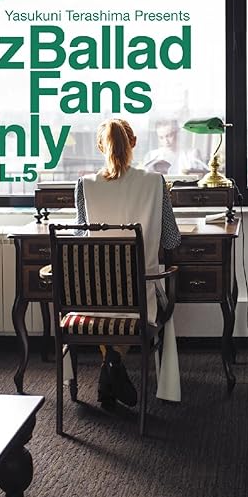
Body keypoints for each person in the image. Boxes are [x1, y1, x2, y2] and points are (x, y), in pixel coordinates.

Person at [73, 118, 182, 408]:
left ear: (100, 147)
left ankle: (111, 365)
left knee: (106, 299)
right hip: (140, 296)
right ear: (133, 143)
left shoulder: (84, 185)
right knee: (131, 299)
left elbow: (80, 239)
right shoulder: (155, 183)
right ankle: (113, 364)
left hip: (94, 297)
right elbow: (172, 241)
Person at [142, 119, 208, 176]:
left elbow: (199, 177)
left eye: (169, 136)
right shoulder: (152, 156)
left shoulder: (191, 155)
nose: (166, 141)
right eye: (161, 137)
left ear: (177, 133)